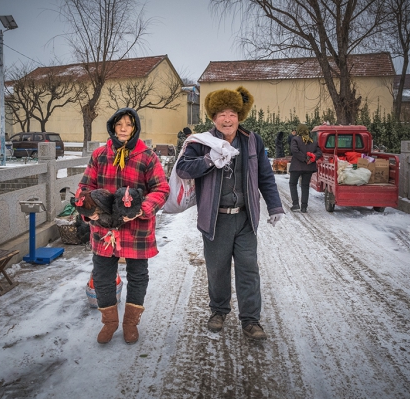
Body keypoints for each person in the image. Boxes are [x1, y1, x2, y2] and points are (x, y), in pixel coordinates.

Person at [175, 86, 284, 341]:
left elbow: (265, 176)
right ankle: (219, 311)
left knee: (248, 268)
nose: (227, 118)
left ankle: (250, 320)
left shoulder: (252, 140)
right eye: (221, 113)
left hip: (245, 217)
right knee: (217, 268)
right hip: (216, 219)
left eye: (232, 113)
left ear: (239, 116)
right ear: (213, 117)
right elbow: (182, 169)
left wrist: (275, 206)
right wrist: (209, 160)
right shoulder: (202, 142)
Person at [78, 107, 169, 344]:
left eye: (129, 124)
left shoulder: (147, 156)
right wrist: (91, 212)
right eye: (119, 124)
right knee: (101, 275)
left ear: (135, 127)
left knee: (138, 275)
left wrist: (140, 209)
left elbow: (161, 189)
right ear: (112, 127)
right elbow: (84, 188)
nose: (124, 129)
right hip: (104, 228)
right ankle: (109, 322)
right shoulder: (99, 155)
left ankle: (130, 323)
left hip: (136, 227)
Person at [289, 123, 322, 213]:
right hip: (308, 167)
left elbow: (294, 151)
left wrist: (304, 159)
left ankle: (295, 204)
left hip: (296, 167)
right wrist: (312, 158)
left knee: (292, 184)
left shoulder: (295, 139)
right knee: (305, 186)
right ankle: (304, 207)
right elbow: (319, 153)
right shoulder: (313, 142)